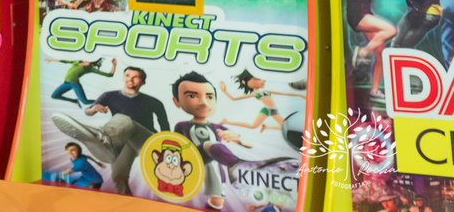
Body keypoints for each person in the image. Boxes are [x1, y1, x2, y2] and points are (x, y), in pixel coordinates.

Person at [171, 72, 291, 210]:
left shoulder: (216, 127)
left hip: (214, 166)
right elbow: (177, 147)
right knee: (212, 145)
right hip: (192, 160)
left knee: (217, 201)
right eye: (192, 96)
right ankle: (238, 165)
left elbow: (247, 143)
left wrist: (240, 140)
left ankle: (238, 167)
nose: (204, 103)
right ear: (177, 101)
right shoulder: (182, 125)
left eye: (209, 97)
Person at [51, 66, 169, 195]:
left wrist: (166, 150)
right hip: (123, 139)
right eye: (127, 76)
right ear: (123, 77)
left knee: (124, 119)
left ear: (143, 82)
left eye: (135, 77)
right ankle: (126, 200)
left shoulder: (154, 102)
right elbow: (89, 111)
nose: (130, 79)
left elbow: (165, 126)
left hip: (146, 140)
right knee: (118, 176)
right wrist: (94, 109)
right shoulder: (110, 96)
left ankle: (101, 136)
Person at [340, 0, 395, 98]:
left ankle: (374, 90)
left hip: (367, 14)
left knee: (379, 51)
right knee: (391, 30)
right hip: (356, 16)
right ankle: (363, 52)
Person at [220, 69, 305, 132]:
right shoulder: (255, 93)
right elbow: (234, 98)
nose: (262, 81)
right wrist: (224, 91)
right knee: (253, 126)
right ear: (244, 82)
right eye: (257, 79)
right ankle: (227, 122)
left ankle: (266, 127)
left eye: (262, 79)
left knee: (283, 126)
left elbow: (282, 93)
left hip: (274, 111)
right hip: (266, 110)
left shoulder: (266, 91)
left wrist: (299, 95)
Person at [51, 58, 116, 107]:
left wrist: (114, 65)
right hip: (66, 83)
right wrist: (52, 60)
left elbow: (110, 75)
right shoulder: (77, 62)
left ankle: (105, 102)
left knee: (85, 102)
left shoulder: (90, 68)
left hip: (75, 85)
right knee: (54, 96)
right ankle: (74, 101)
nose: (87, 62)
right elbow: (65, 61)